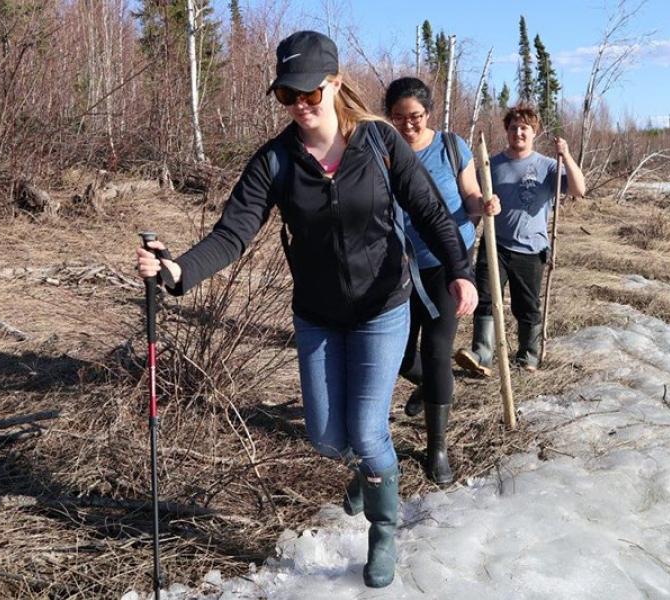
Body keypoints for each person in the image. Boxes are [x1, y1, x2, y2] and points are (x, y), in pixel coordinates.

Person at [135, 31, 477, 589]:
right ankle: (370, 470)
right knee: (325, 436)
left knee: (368, 434)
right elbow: (231, 233)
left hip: (382, 306)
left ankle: (383, 530)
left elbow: (432, 211)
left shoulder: (380, 143)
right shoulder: (276, 161)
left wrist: (459, 271)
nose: (299, 105)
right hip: (318, 314)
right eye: (287, 95)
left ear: (335, 84)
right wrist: (178, 272)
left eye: (310, 94)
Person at [383, 77, 498, 485]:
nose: (407, 125)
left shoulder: (451, 146)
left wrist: (481, 204)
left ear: (428, 114)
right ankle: (430, 383)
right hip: (396, 265)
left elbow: (468, 195)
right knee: (396, 354)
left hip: (446, 263)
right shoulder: (381, 150)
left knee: (436, 350)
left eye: (414, 116)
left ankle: (437, 449)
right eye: (398, 117)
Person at [455, 103, 585, 375]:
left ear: (533, 131)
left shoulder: (548, 166)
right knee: (486, 298)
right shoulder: (492, 165)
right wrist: (465, 239)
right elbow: (475, 206)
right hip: (495, 245)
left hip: (531, 248)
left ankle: (528, 356)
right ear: (507, 130)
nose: (518, 133)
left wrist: (567, 156)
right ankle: (483, 354)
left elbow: (578, 189)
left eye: (524, 128)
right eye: (513, 128)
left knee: (526, 306)